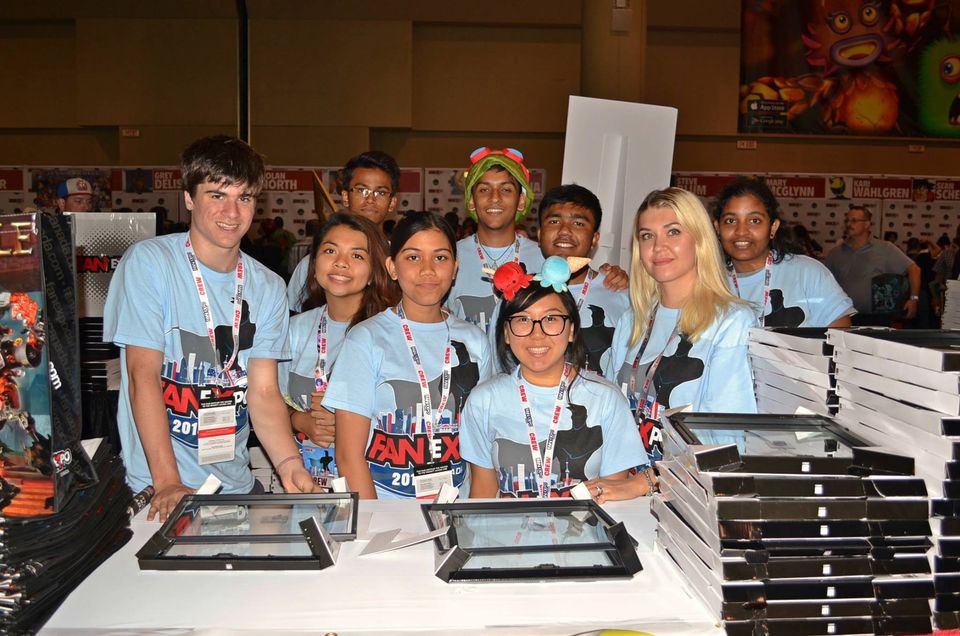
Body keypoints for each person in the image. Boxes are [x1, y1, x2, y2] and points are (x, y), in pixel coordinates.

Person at [104, 135, 316, 521]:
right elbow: (141, 376)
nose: (232, 212)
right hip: (155, 488)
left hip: (233, 486)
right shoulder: (151, 263)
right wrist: (167, 482)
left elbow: (263, 392)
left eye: (244, 197)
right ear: (189, 197)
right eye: (217, 195)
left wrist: (289, 465)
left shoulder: (268, 286)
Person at [323, 213, 492, 499]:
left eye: (440, 258)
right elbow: (348, 456)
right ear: (392, 267)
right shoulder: (366, 339)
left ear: (455, 268)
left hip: (455, 508)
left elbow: (482, 450)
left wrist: (473, 516)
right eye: (413, 257)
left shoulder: (474, 341)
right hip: (386, 509)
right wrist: (374, 521)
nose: (428, 270)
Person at [459, 256, 651, 500]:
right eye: (522, 320)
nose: (537, 334)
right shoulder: (483, 401)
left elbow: (615, 496)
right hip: (507, 526)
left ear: (571, 329)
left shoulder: (606, 400)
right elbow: (483, 495)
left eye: (550, 319)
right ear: (506, 332)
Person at [605, 187, 758, 464]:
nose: (658, 246)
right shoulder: (632, 320)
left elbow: (728, 441)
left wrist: (650, 481)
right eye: (647, 236)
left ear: (700, 240)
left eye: (673, 232)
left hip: (688, 484)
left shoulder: (731, 322)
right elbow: (608, 413)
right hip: (624, 478)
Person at [448, 147, 627, 332]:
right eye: (484, 189)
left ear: (521, 201)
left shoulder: (548, 257)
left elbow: (584, 284)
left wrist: (613, 276)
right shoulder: (449, 257)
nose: (495, 198)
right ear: (471, 200)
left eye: (506, 189)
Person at [278, 213, 399, 485]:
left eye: (357, 255)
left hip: (374, 482)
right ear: (314, 264)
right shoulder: (293, 330)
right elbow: (267, 399)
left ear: (374, 272)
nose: (341, 263)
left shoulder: (392, 335)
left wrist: (348, 422)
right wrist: (299, 420)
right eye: (330, 251)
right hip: (303, 482)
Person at [487, 184, 630, 374]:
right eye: (554, 221)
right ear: (539, 234)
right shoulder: (517, 294)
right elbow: (497, 369)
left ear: (595, 238)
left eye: (578, 223)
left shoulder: (619, 296)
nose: (564, 231)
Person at [713, 177, 854, 328]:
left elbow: (840, 334)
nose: (741, 231)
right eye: (731, 221)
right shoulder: (707, 280)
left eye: (754, 220)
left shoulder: (807, 272)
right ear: (717, 228)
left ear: (773, 227)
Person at [287, 151, 401, 312]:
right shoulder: (315, 264)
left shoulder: (401, 262)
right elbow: (295, 315)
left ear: (392, 202)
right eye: (361, 190)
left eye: (380, 192)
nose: (370, 199)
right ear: (346, 197)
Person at [824, 206, 921, 325]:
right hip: (843, 318)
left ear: (867, 224)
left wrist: (914, 299)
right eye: (847, 220)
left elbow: (914, 270)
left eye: (854, 221)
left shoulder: (885, 248)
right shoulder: (835, 253)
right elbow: (824, 283)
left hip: (876, 319)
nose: (849, 224)